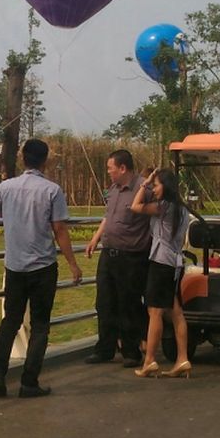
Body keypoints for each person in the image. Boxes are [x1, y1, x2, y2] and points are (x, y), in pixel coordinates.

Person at [0, 139, 82, 399]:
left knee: (10, 321)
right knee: (40, 325)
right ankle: (29, 382)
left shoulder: (7, 187)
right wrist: (73, 264)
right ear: (45, 160)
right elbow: (60, 229)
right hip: (43, 267)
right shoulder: (52, 190)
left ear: (22, 159)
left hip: (15, 267)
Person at [83, 150, 152, 367]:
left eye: (111, 168)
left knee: (128, 303)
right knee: (104, 302)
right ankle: (105, 348)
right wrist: (96, 238)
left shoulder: (144, 188)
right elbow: (108, 217)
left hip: (131, 256)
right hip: (109, 253)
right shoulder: (113, 189)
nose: (109, 173)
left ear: (123, 168)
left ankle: (131, 351)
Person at [129, 167, 192, 378]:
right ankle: (182, 358)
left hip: (160, 262)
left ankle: (150, 360)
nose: (153, 189)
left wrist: (144, 184)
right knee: (176, 311)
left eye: (156, 185)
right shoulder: (182, 209)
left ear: (165, 186)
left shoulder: (163, 207)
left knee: (155, 311)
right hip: (175, 263)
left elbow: (135, 206)